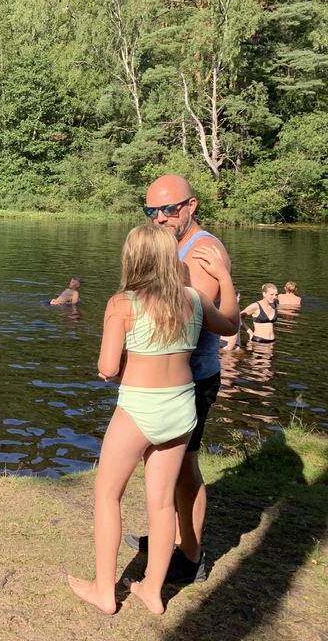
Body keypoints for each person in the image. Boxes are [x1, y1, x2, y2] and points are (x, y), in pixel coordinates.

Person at [67, 223, 238, 616]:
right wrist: (225, 277)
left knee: (108, 494)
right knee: (161, 504)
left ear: (132, 259)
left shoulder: (121, 303)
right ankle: (153, 591)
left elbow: (108, 368)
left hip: (139, 410)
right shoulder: (194, 299)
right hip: (182, 409)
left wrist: (117, 365)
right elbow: (231, 325)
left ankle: (105, 592)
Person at [123, 174, 238, 584]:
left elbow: (185, 319)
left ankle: (190, 557)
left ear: (191, 206)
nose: (159, 218)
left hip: (191, 380)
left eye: (168, 209)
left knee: (184, 468)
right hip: (168, 382)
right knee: (166, 466)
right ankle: (168, 540)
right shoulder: (170, 245)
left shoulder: (203, 251)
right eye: (151, 210)